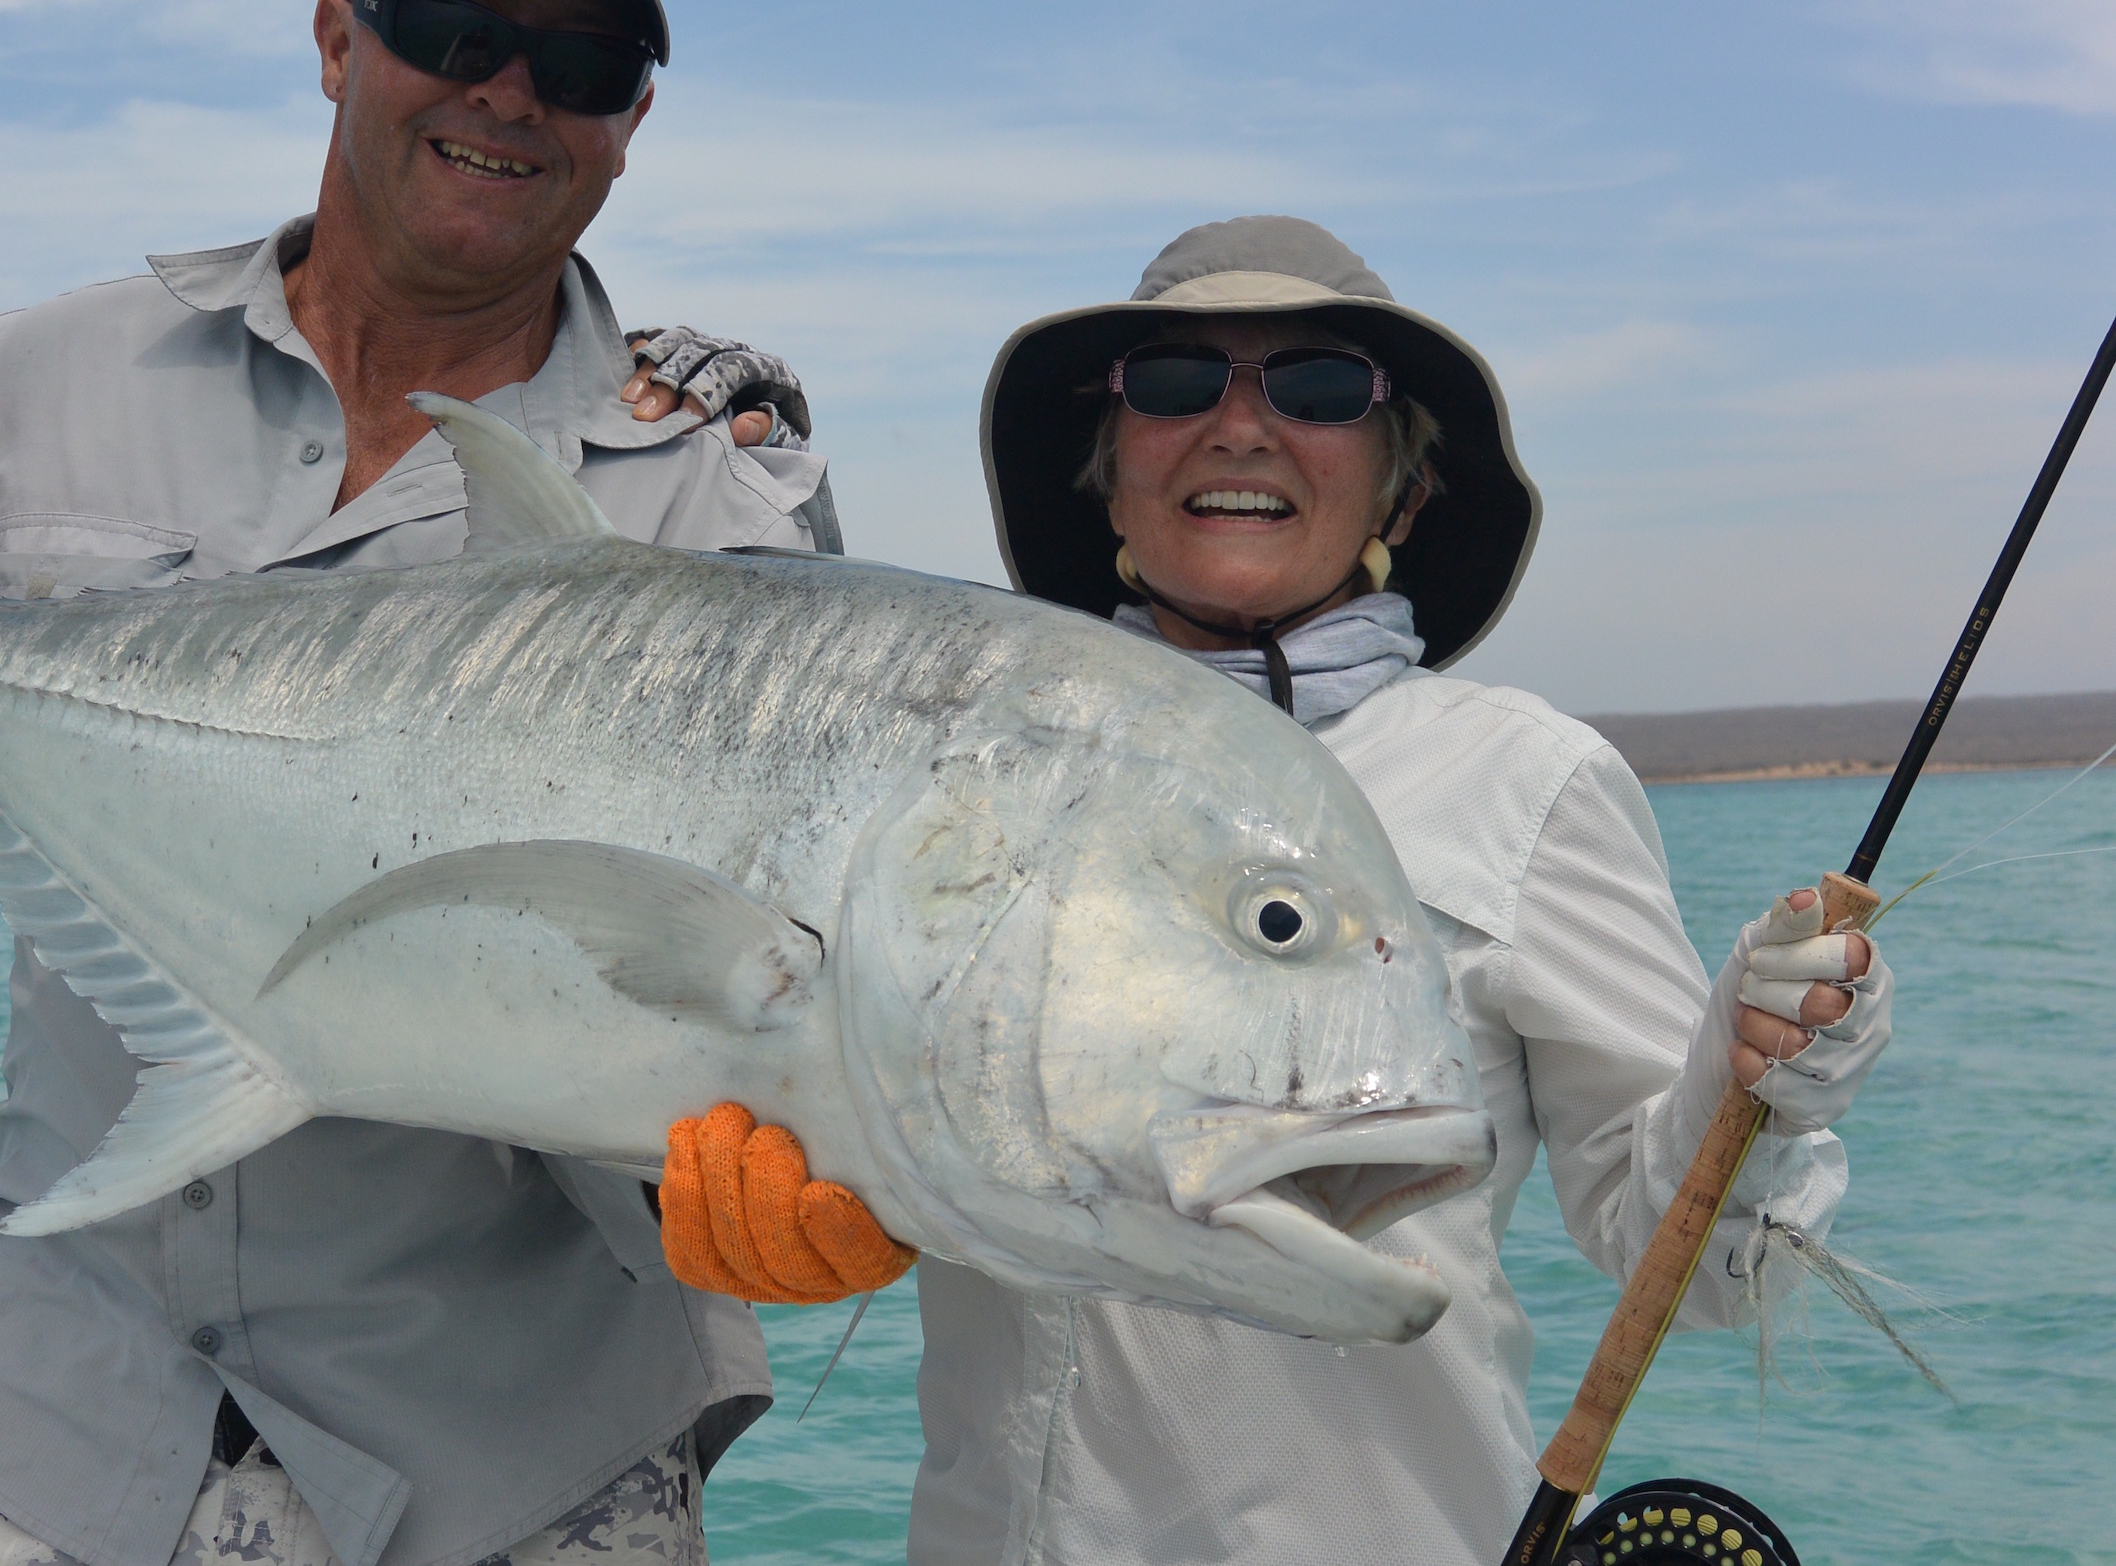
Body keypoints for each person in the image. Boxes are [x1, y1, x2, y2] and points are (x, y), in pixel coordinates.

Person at [0, 0, 848, 1564]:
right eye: (452, 31)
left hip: (526, 1457)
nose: (510, 92)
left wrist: (814, 1169)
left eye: (581, 60)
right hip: (61, 1407)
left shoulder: (725, 484)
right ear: (333, 37)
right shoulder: (33, 376)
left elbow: (762, 959)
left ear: (631, 120)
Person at [659, 217, 1895, 1565]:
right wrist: (791, 1211)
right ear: (1109, 478)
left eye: (1315, 388)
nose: (1240, 427)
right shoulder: (950, 765)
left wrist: (1758, 1080)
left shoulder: (1522, 781)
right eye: (1178, 384)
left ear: (1402, 491)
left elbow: (1702, 1268)